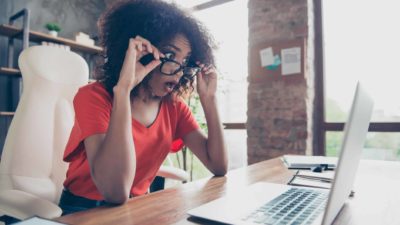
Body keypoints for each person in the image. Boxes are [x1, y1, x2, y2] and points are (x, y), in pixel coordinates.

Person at [59, 0, 228, 215]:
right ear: (140, 52)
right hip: (81, 210)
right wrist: (124, 90)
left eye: (185, 60)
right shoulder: (93, 97)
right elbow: (115, 192)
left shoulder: (175, 107)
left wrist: (209, 99)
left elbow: (218, 165)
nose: (178, 71)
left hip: (137, 209)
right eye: (169, 56)